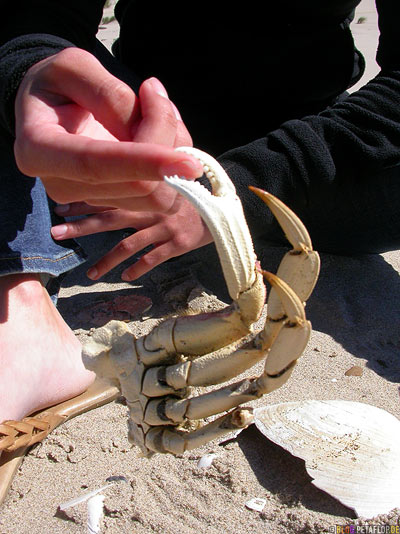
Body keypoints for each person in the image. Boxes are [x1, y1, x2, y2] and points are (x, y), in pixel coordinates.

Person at [0, 0, 399, 424]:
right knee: (21, 66)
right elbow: (42, 12)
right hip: (145, 122)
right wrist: (30, 67)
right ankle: (18, 308)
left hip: (314, 136)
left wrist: (234, 189)